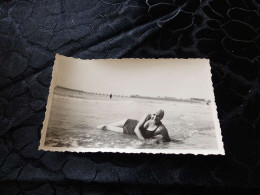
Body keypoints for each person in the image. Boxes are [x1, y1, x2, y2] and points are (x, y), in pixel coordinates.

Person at [97, 109, 171, 142]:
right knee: (105, 126)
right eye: (154, 114)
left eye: (158, 116)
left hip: (130, 132)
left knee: (105, 127)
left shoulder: (162, 129)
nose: (154, 117)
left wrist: (157, 142)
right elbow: (136, 129)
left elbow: (167, 140)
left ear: (162, 117)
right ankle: (93, 132)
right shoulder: (147, 116)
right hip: (129, 124)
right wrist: (144, 141)